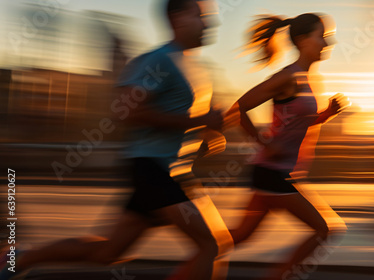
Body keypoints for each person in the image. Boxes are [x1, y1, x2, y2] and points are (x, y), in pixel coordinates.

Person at [0, 1, 233, 280]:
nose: (210, 23)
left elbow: (186, 117)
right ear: (178, 18)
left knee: (108, 253)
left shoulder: (192, 66)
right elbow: (126, 110)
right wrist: (199, 123)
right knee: (212, 244)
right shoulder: (160, 60)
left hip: (174, 171)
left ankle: (18, 258)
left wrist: (206, 134)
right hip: (155, 170)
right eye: (202, 16)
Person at [226, 13, 349, 280]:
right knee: (325, 229)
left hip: (275, 171)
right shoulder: (287, 77)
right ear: (304, 40)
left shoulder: (308, 79)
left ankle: (199, 249)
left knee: (239, 236)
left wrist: (326, 115)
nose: (329, 42)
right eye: (323, 36)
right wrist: (262, 143)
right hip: (272, 173)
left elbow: (297, 123)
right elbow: (239, 108)